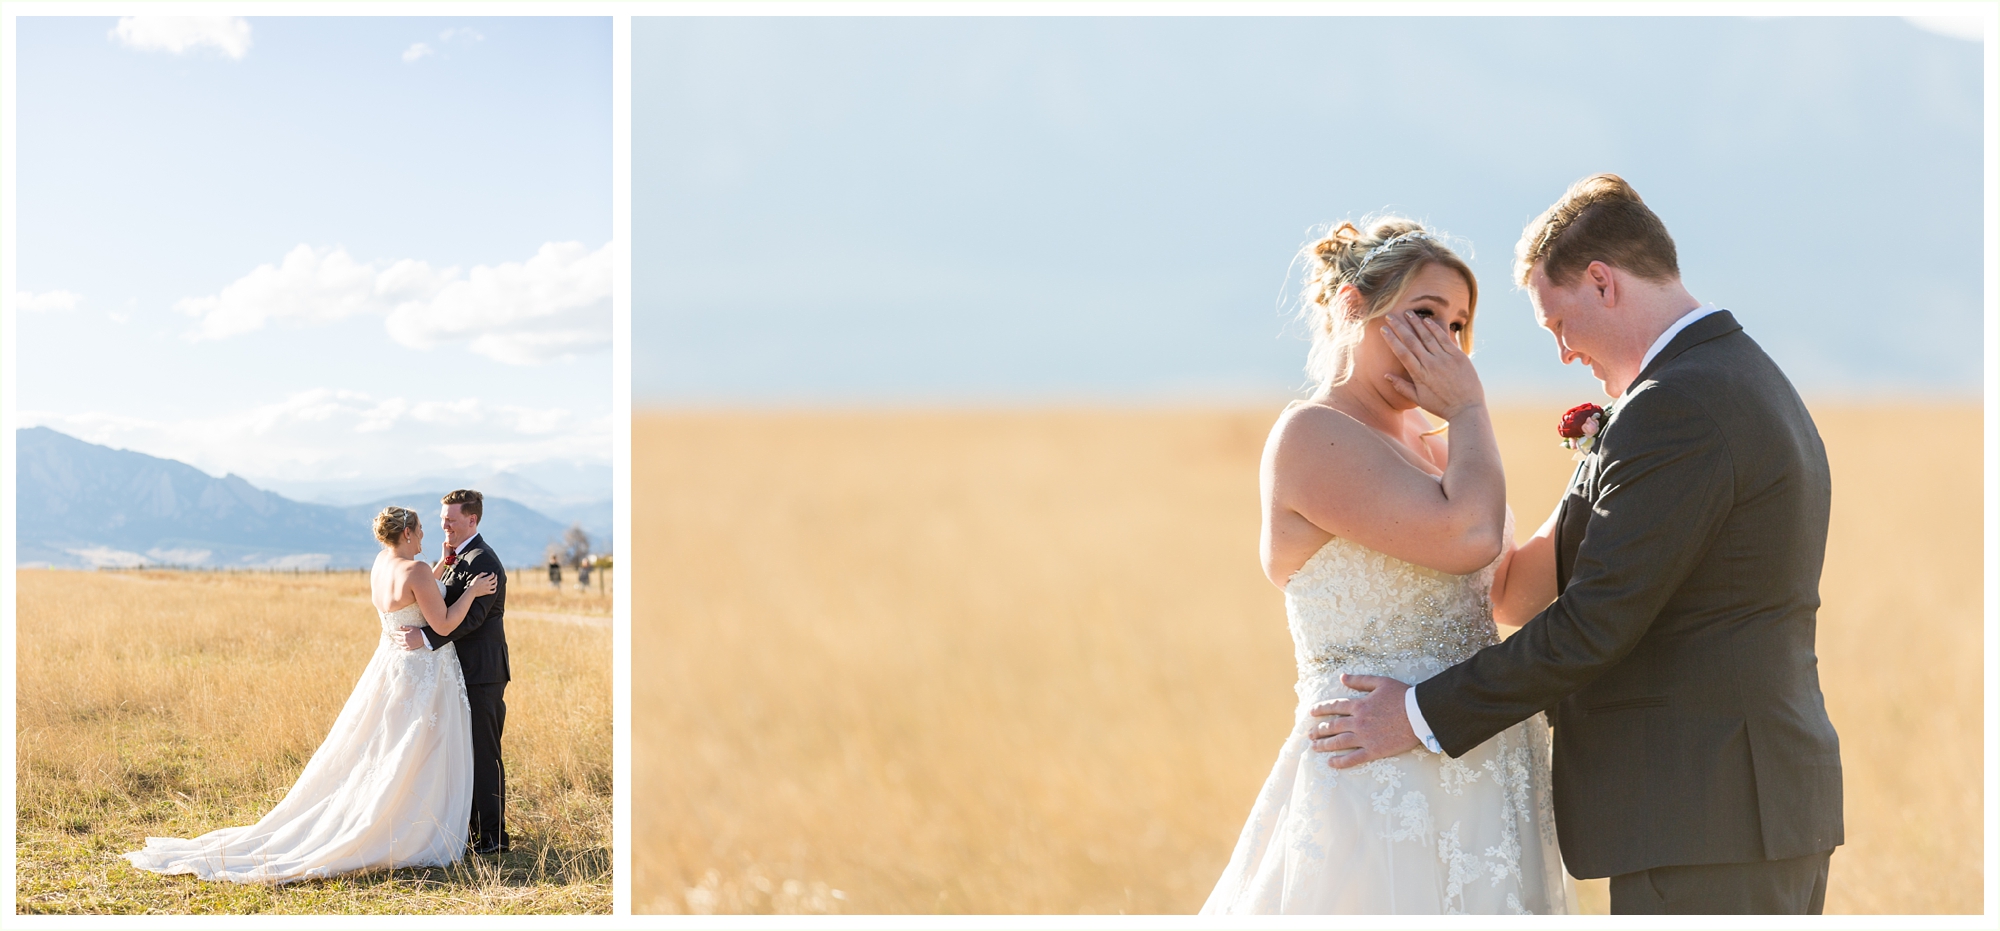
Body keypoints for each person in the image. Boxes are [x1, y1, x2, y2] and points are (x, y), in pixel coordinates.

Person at [1313, 175, 1841, 914]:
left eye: (1558, 323)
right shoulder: (1729, 375)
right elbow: (1522, 585)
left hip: (1707, 817)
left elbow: (1594, 622)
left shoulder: (1679, 406)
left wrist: (1417, 714)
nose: (1563, 353)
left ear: (1602, 283)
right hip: (1736, 810)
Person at [1201, 218, 1568, 914]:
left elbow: (1508, 589)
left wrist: (1605, 479)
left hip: (1484, 774)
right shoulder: (1311, 434)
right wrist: (1467, 407)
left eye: (1458, 327)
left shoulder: (1436, 448)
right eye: (1425, 315)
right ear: (1350, 307)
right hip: (1376, 788)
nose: (1445, 344)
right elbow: (1469, 533)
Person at [123, 507, 496, 882]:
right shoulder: (416, 571)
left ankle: (389, 813)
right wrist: (473, 593)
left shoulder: (382, 563)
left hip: (390, 667)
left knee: (389, 748)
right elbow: (444, 621)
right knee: (418, 749)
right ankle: (413, 824)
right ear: (409, 534)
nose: (426, 537)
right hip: (421, 673)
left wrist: (438, 571)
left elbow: (413, 597)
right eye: (421, 531)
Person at [400, 489, 513, 855]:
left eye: (450, 520)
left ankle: (494, 838)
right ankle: (469, 828)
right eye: (442, 519)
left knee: (484, 752)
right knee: (462, 751)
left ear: (472, 520)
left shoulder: (484, 562)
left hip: (482, 672)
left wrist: (427, 638)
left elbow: (474, 620)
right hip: (456, 672)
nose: (444, 526)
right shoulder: (453, 557)